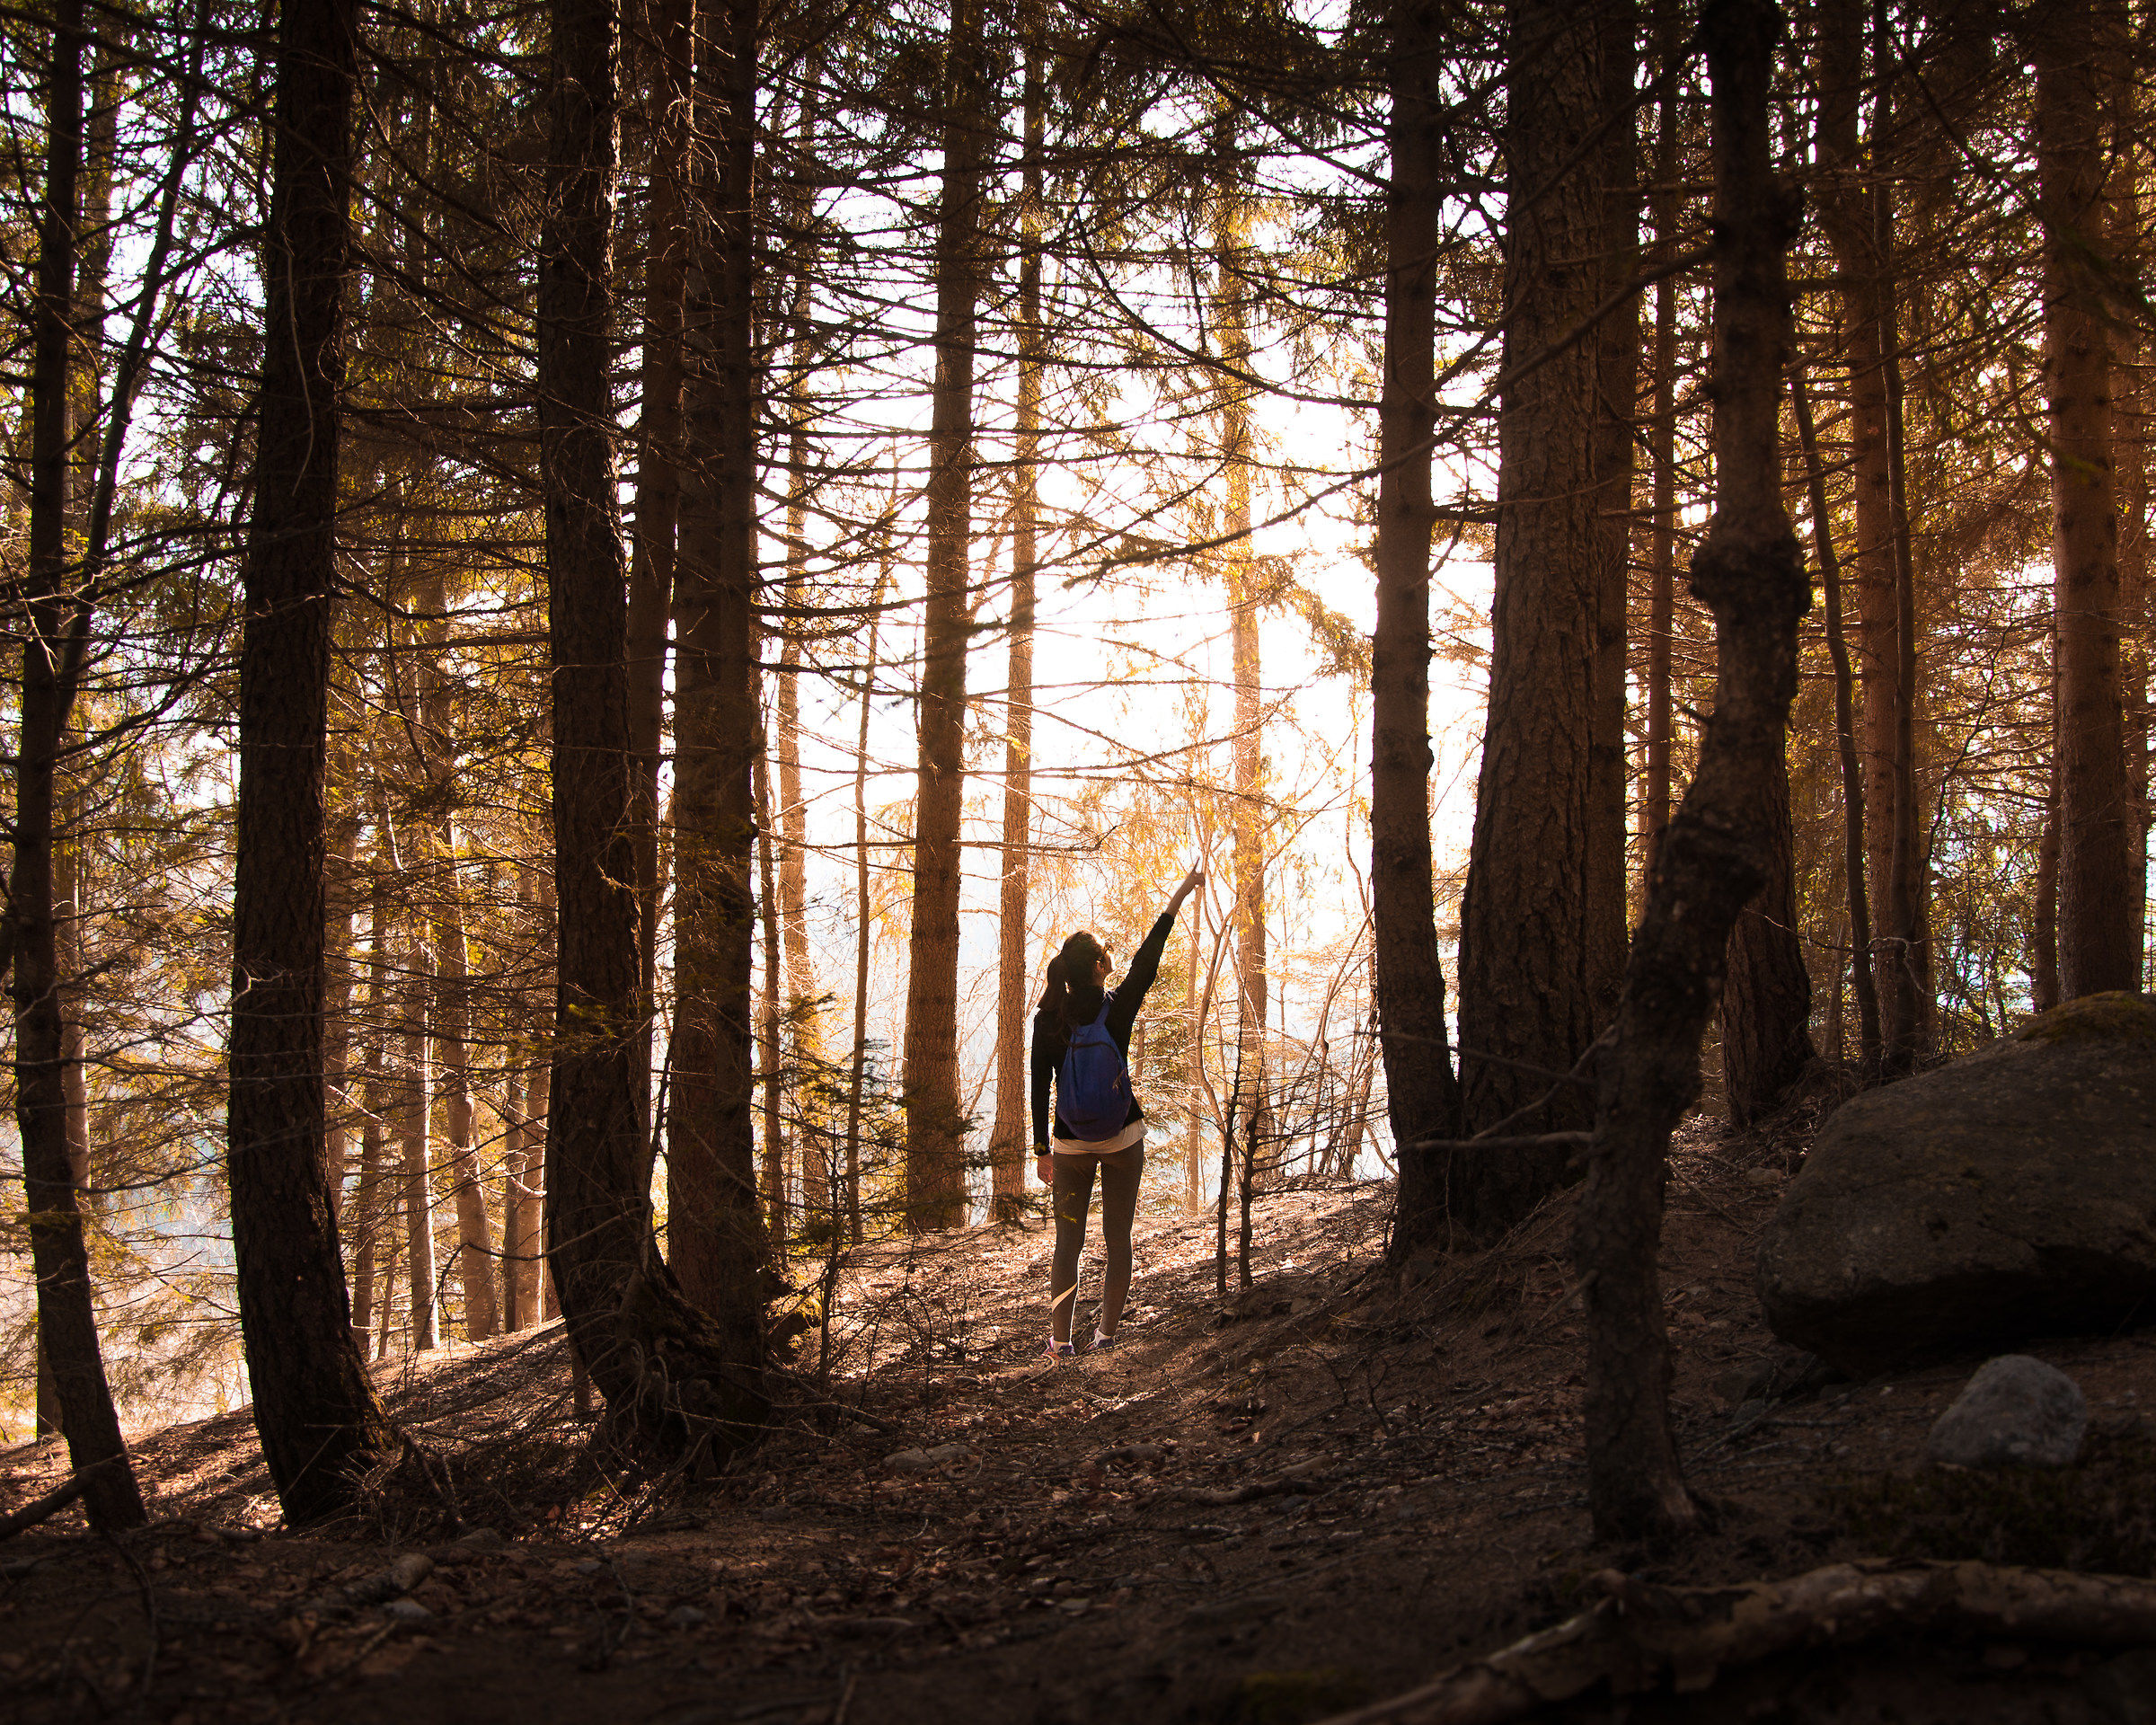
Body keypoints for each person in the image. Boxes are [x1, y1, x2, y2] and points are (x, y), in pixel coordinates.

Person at [1031, 864, 1205, 1359]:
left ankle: (1060, 1342)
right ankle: (1106, 1336)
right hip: (1123, 1139)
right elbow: (1150, 955)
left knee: (1068, 1245)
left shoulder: (1047, 1020)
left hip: (1068, 1144)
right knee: (1117, 1240)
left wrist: (1042, 1149)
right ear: (1099, 966)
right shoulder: (1119, 1006)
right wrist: (1180, 893)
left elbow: (1039, 1084)